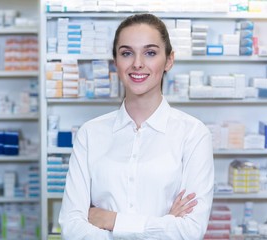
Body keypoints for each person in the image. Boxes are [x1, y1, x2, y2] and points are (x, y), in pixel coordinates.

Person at [59, 13, 214, 239]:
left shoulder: (193, 134)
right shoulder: (90, 134)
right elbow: (72, 229)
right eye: (126, 53)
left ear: (169, 60)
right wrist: (163, 224)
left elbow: (189, 231)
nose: (137, 63)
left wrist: (112, 221)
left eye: (150, 53)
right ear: (116, 62)